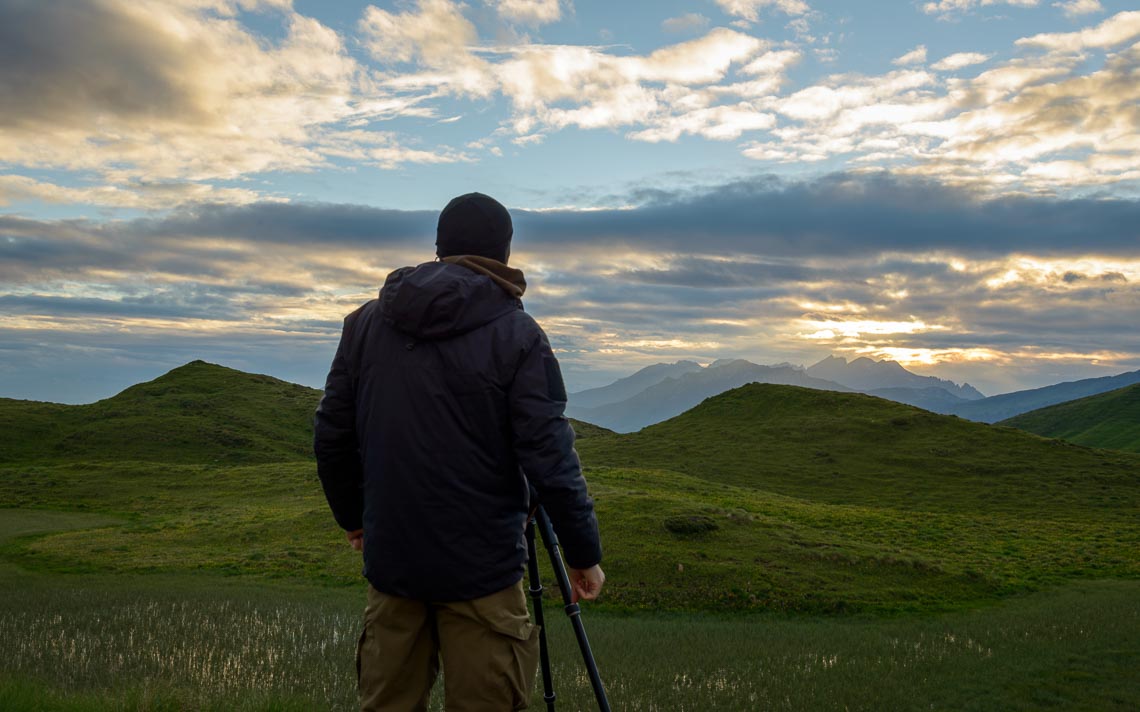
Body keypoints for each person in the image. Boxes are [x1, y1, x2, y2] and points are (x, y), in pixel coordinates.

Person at [314, 192, 604, 712]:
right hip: (484, 571)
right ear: (505, 253)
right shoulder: (518, 334)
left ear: (439, 247)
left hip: (393, 563)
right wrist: (583, 554)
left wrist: (354, 519)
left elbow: (332, 434)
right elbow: (549, 455)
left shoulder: (364, 325)